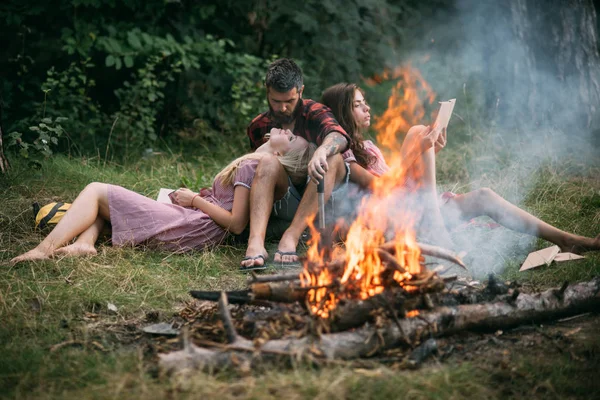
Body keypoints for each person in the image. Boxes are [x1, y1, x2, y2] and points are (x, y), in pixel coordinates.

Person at [320, 82, 600, 254]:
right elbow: (383, 189)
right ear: (343, 112)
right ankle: (439, 232)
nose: (367, 108)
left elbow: (404, 181)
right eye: (358, 105)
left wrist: (429, 152)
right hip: (392, 222)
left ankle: (567, 239)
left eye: (365, 102)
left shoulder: (368, 147)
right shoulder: (343, 156)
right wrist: (418, 151)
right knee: (418, 132)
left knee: (484, 196)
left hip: (415, 209)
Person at [10, 129, 315, 265]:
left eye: (289, 136)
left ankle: (43, 249)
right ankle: (84, 244)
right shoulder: (252, 164)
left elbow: (235, 224)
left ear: (280, 154)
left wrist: (195, 201)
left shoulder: (253, 166)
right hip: (195, 224)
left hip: (196, 226)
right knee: (108, 205)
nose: (285, 129)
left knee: (96, 189)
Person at [241, 59, 352, 269]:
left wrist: (322, 150)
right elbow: (252, 171)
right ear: (267, 91)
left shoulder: (314, 112)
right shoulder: (259, 126)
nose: (282, 108)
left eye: (289, 101)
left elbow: (338, 136)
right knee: (266, 162)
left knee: (333, 157)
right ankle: (256, 243)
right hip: (285, 200)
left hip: (323, 198)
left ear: (300, 91)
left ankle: (291, 237)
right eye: (276, 101)